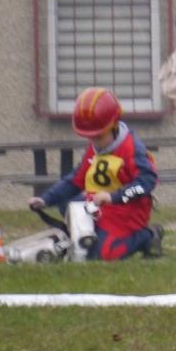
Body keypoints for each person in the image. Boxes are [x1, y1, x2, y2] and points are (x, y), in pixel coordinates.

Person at [28, 88, 162, 261]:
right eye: (89, 137)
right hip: (97, 207)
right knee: (68, 204)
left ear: (113, 126)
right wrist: (46, 199)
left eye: (98, 136)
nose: (93, 142)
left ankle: (147, 236)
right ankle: (81, 238)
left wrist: (114, 197)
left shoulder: (131, 149)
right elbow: (76, 180)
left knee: (106, 254)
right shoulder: (95, 147)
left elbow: (146, 182)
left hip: (126, 212)